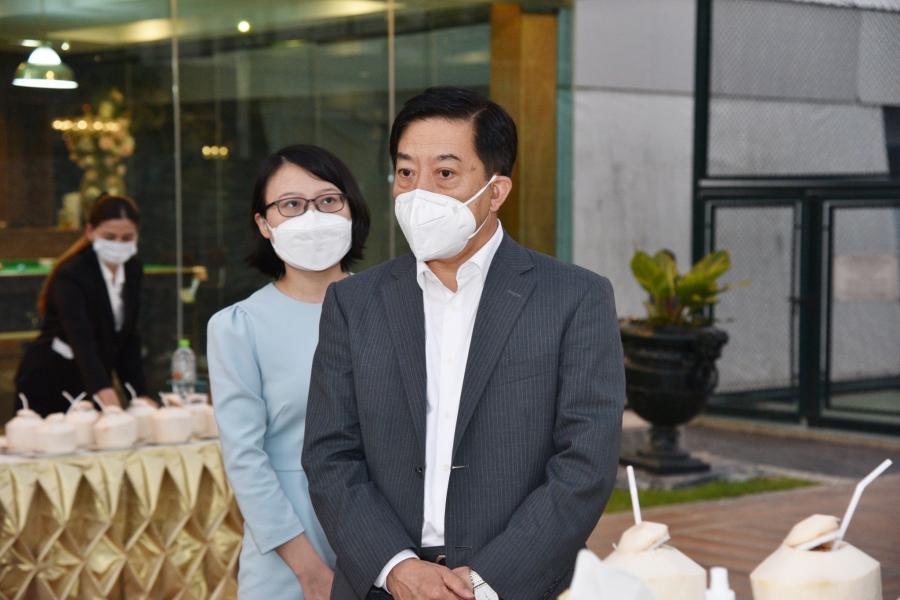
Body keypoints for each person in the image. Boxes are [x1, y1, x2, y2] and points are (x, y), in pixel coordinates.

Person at [302, 87, 626, 600]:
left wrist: (485, 581)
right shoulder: (353, 302)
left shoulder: (574, 297)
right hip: (385, 584)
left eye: (445, 173)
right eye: (406, 172)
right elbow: (330, 454)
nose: (419, 192)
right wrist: (398, 568)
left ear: (496, 192)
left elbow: (584, 462)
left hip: (517, 585)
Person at [207, 144, 370, 600]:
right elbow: (245, 459)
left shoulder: (393, 307)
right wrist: (309, 571)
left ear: (351, 209)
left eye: (328, 200)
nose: (312, 217)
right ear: (264, 223)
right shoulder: (240, 326)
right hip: (292, 549)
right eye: (291, 205)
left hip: (388, 541)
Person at [15, 194, 150, 415]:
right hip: (51, 380)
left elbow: (128, 339)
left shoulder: (133, 269)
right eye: (110, 237)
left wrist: (139, 396)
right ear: (90, 231)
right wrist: (105, 392)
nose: (118, 244)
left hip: (93, 380)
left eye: (127, 238)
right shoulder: (73, 273)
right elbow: (81, 339)